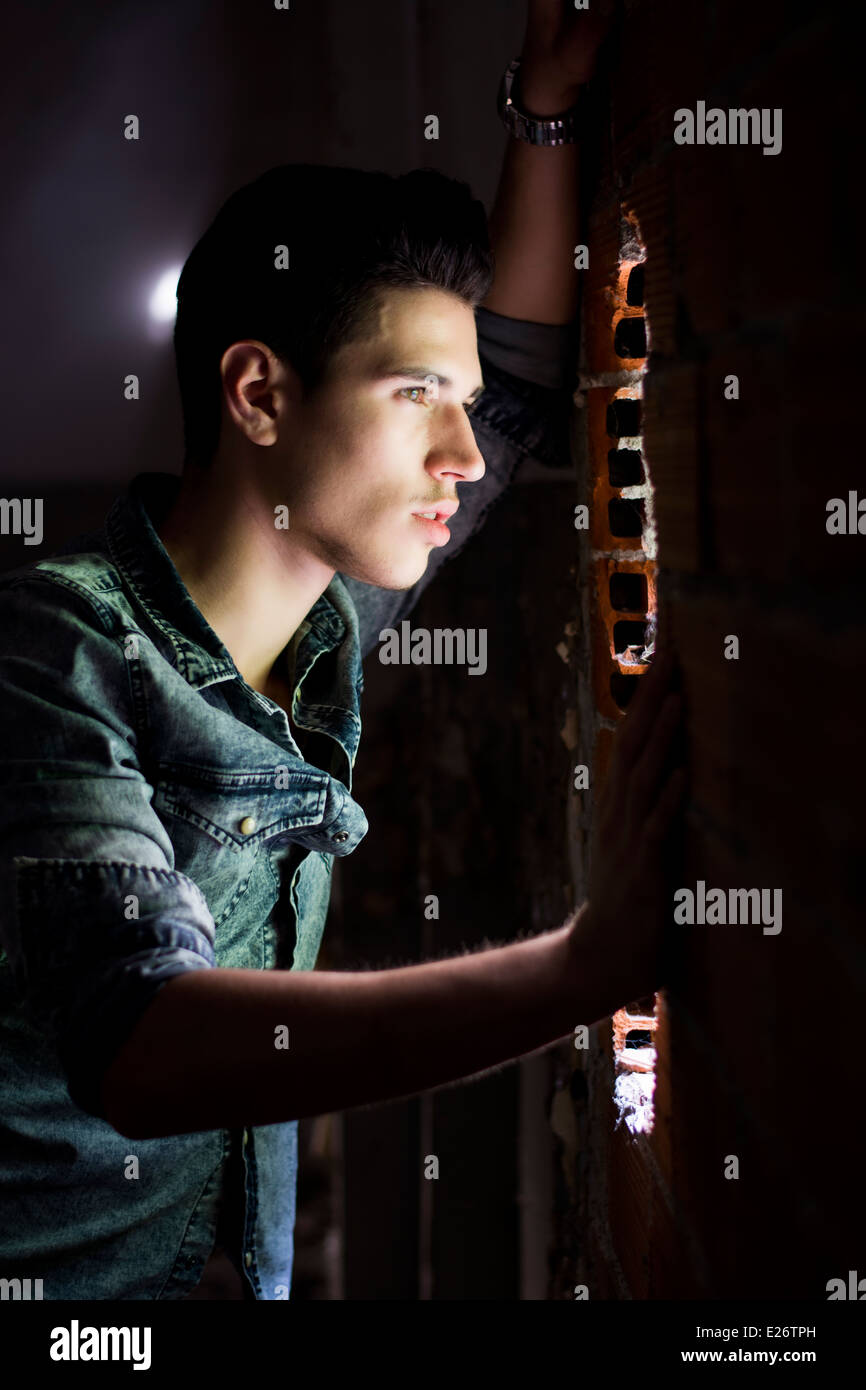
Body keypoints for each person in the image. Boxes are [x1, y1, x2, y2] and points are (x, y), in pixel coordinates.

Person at [0, 4, 684, 1301]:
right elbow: (141, 1043)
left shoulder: (322, 618)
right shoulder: (52, 649)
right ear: (257, 394)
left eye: (458, 404)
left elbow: (527, 385)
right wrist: (576, 972)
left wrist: (538, 114)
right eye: (414, 396)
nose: (465, 458)